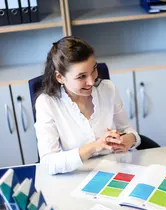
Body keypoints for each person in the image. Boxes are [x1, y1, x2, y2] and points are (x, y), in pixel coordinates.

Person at [34, 36, 141, 175]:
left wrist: (128, 140)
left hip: (118, 170)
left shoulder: (108, 89)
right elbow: (49, 163)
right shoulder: (47, 103)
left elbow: (129, 131)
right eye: (81, 77)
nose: (91, 81)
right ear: (60, 77)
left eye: (94, 70)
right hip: (79, 175)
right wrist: (95, 147)